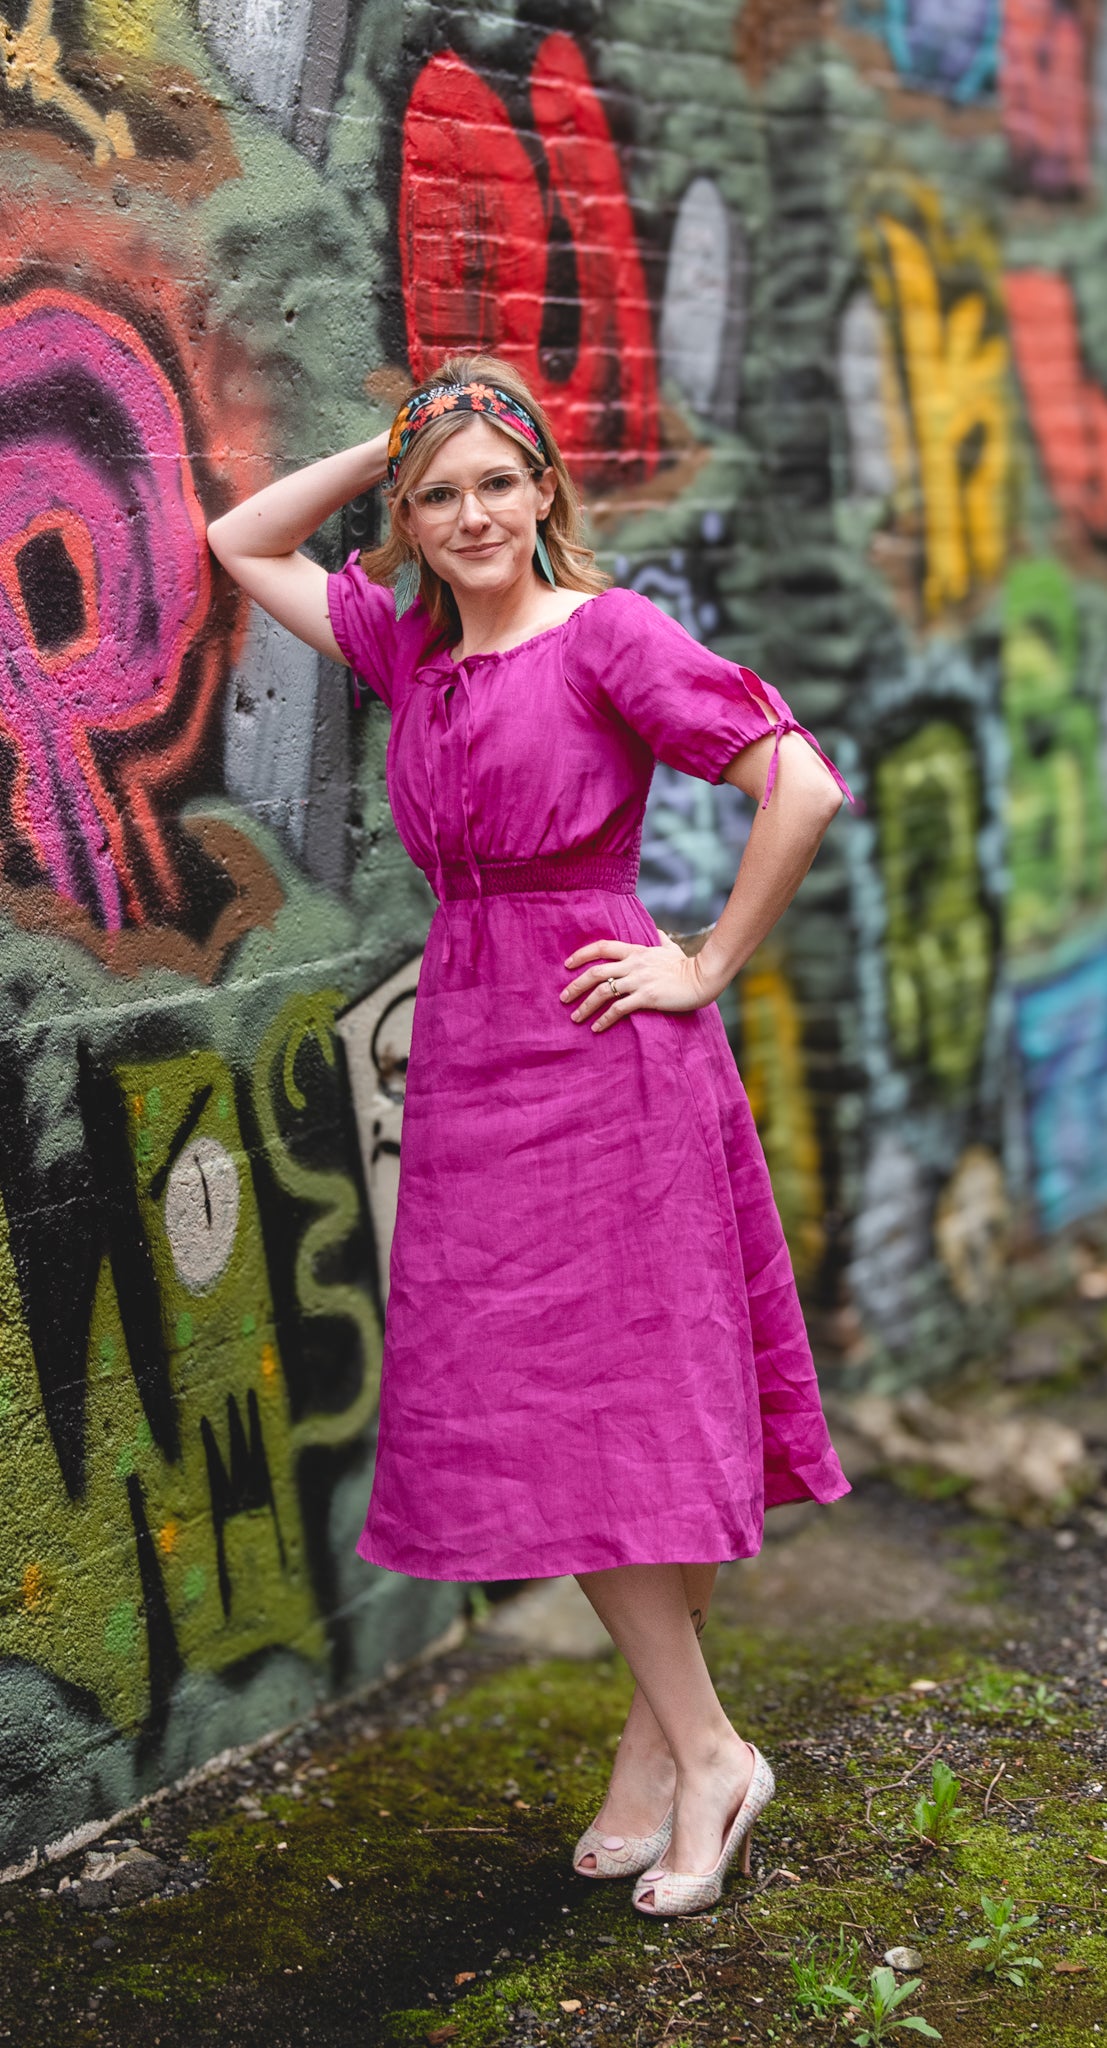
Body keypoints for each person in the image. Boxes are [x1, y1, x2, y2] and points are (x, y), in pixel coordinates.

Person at [207, 352, 852, 1918]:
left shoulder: (608, 636)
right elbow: (242, 541)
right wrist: (406, 434)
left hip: (606, 1047)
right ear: (412, 523)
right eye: (443, 497)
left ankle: (708, 1754)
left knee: (604, 1402)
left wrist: (700, 964)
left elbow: (803, 785)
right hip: (479, 1053)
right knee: (560, 1399)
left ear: (550, 492)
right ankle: (660, 1754)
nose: (475, 512)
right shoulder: (410, 653)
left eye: (502, 481)